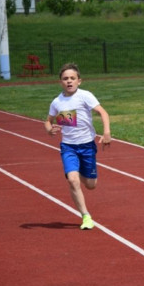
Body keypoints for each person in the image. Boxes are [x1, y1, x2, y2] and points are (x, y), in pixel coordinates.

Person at [45, 63, 111, 230]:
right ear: (60, 82)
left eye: (72, 78)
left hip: (87, 145)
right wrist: (50, 130)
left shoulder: (85, 96)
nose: (69, 81)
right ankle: (86, 216)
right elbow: (48, 121)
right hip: (68, 146)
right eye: (65, 78)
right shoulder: (57, 102)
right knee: (73, 180)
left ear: (79, 81)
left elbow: (102, 112)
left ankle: (80, 171)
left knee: (90, 185)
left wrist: (107, 132)